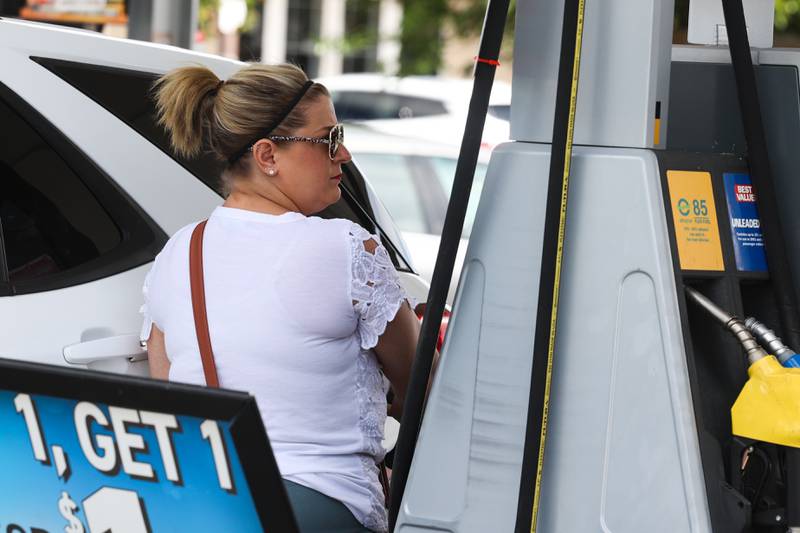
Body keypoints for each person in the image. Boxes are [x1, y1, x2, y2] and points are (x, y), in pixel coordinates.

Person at [140, 63, 420, 533]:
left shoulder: (179, 252)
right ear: (267, 154)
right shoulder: (345, 247)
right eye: (328, 139)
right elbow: (421, 387)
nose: (344, 155)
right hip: (319, 507)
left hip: (206, 507)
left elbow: (171, 398)